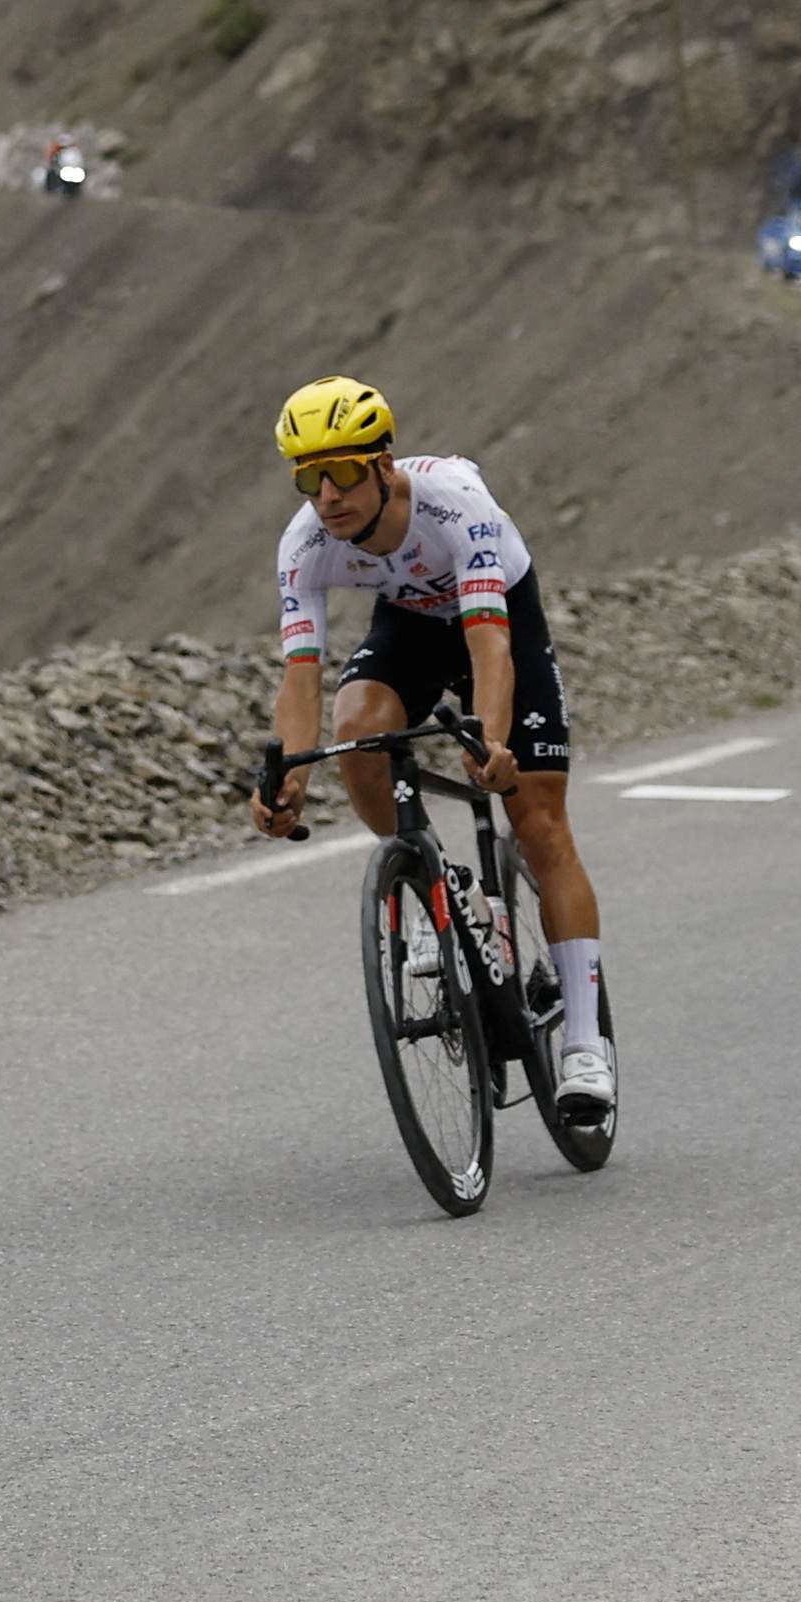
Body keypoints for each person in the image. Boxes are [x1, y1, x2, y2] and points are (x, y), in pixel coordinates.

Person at [250, 378, 612, 1112]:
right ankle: (445, 885)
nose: (327, 494)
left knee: (538, 820)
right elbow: (301, 679)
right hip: (411, 628)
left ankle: (584, 1042)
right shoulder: (305, 543)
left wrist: (494, 743)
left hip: (499, 620)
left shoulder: (455, 505)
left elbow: (489, 648)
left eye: (344, 471)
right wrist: (286, 778)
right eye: (307, 477)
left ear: (384, 465)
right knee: (358, 732)